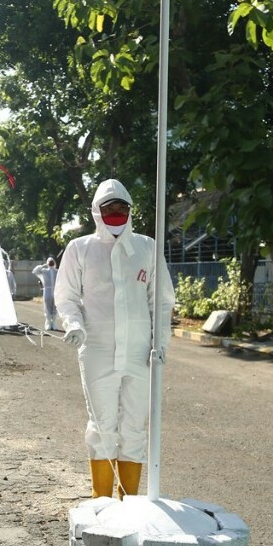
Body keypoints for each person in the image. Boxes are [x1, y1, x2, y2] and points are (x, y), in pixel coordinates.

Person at [55, 179, 174, 499]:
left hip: (140, 352)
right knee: (102, 425)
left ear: (131, 210)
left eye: (123, 207)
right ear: (97, 211)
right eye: (110, 208)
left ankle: (130, 500)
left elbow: (161, 301)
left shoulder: (147, 248)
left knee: (134, 426)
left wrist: (160, 342)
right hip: (97, 349)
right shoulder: (80, 249)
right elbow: (67, 297)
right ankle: (102, 501)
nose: (117, 213)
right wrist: (73, 324)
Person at [32, 257, 59, 330]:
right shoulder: (45, 271)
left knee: (54, 307)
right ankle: (49, 323)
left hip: (54, 292)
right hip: (49, 291)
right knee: (48, 307)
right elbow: (35, 271)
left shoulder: (57, 271)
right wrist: (42, 266)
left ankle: (53, 323)